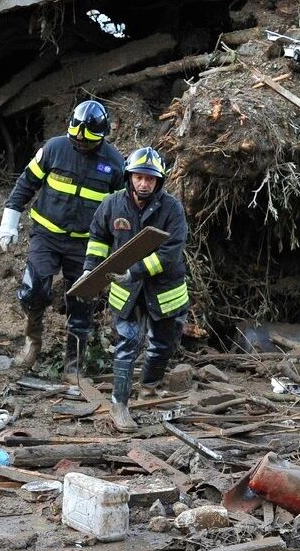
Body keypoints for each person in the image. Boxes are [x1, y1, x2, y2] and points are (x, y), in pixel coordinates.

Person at [0, 100, 125, 382]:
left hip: (85, 244)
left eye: (87, 140)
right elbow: (26, 183)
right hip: (46, 235)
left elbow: (121, 210)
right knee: (35, 289)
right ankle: (31, 346)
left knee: (81, 301)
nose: (80, 143)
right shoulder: (55, 148)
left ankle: (73, 366)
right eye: (76, 138)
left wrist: (120, 245)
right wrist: (10, 220)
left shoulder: (115, 164)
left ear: (101, 137)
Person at [83, 146, 189, 432]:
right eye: (139, 177)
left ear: (159, 181)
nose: (143, 183)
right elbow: (98, 237)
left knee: (162, 345)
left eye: (150, 179)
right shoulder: (112, 205)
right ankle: (119, 404)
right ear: (129, 177)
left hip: (164, 291)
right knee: (126, 344)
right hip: (126, 292)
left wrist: (135, 270)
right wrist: (90, 269)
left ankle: (149, 389)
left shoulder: (171, 209)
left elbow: (171, 252)